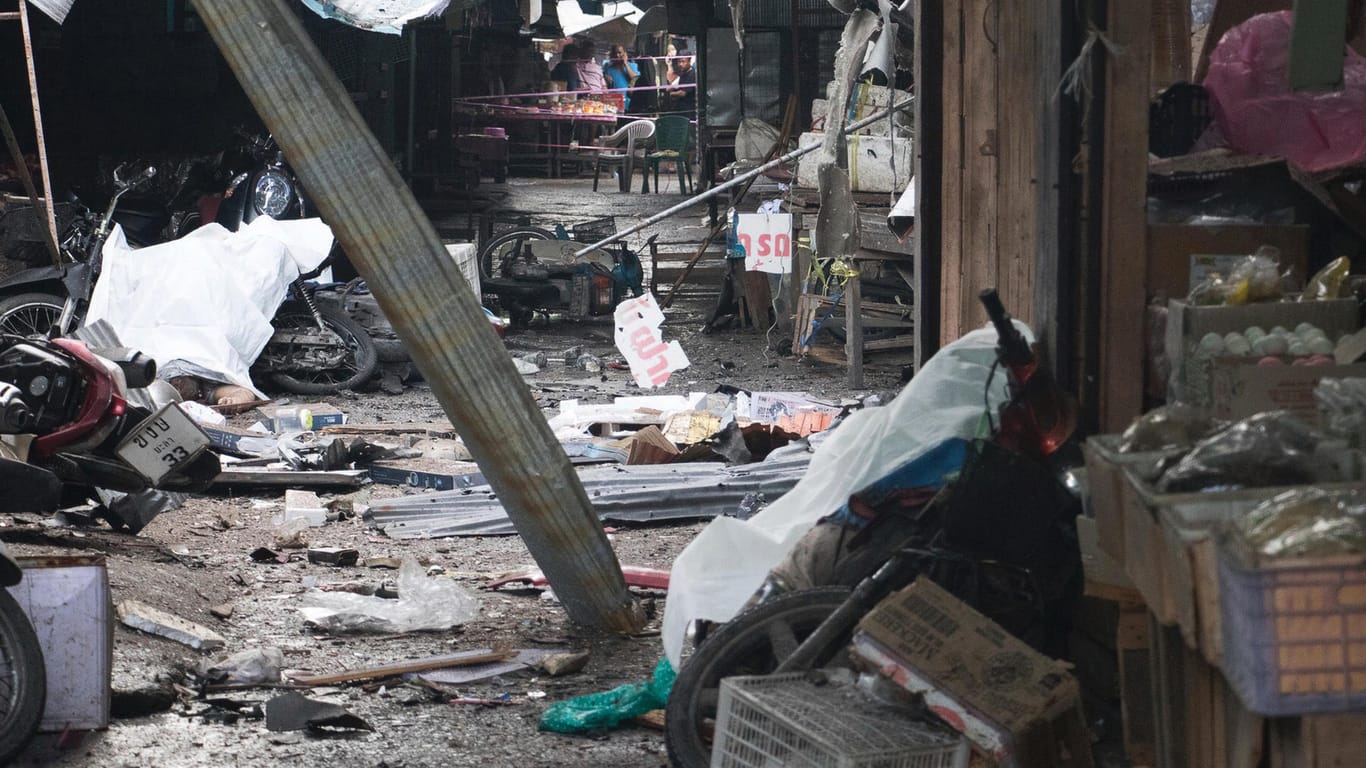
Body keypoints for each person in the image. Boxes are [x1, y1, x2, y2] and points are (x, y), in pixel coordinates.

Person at [602, 44, 640, 110]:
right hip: (614, 105)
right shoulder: (609, 69)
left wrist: (625, 64)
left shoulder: (633, 66)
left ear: (624, 53)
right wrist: (605, 78)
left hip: (629, 104)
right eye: (615, 53)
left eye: (619, 53)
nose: (617, 55)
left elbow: (635, 79)